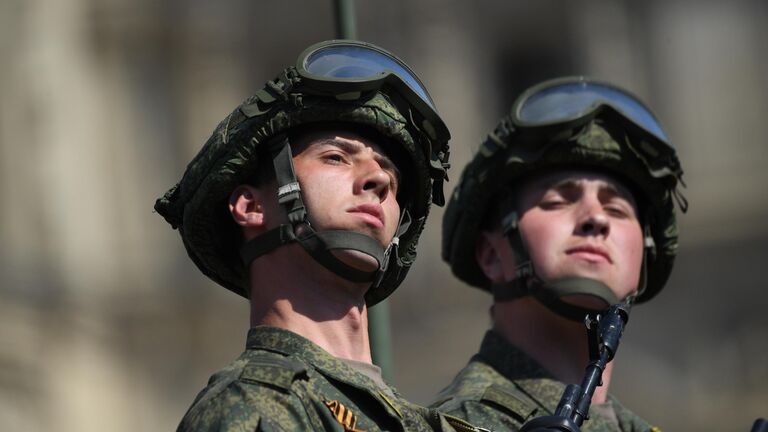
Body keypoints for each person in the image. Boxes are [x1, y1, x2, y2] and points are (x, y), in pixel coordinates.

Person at [155, 40, 481, 432]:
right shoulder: (253, 408)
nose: (378, 180)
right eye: (336, 157)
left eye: (390, 176)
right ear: (251, 207)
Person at [433, 77, 687, 431]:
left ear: (644, 256)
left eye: (616, 210)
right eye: (558, 201)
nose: (596, 219)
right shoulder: (461, 423)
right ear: (492, 254)